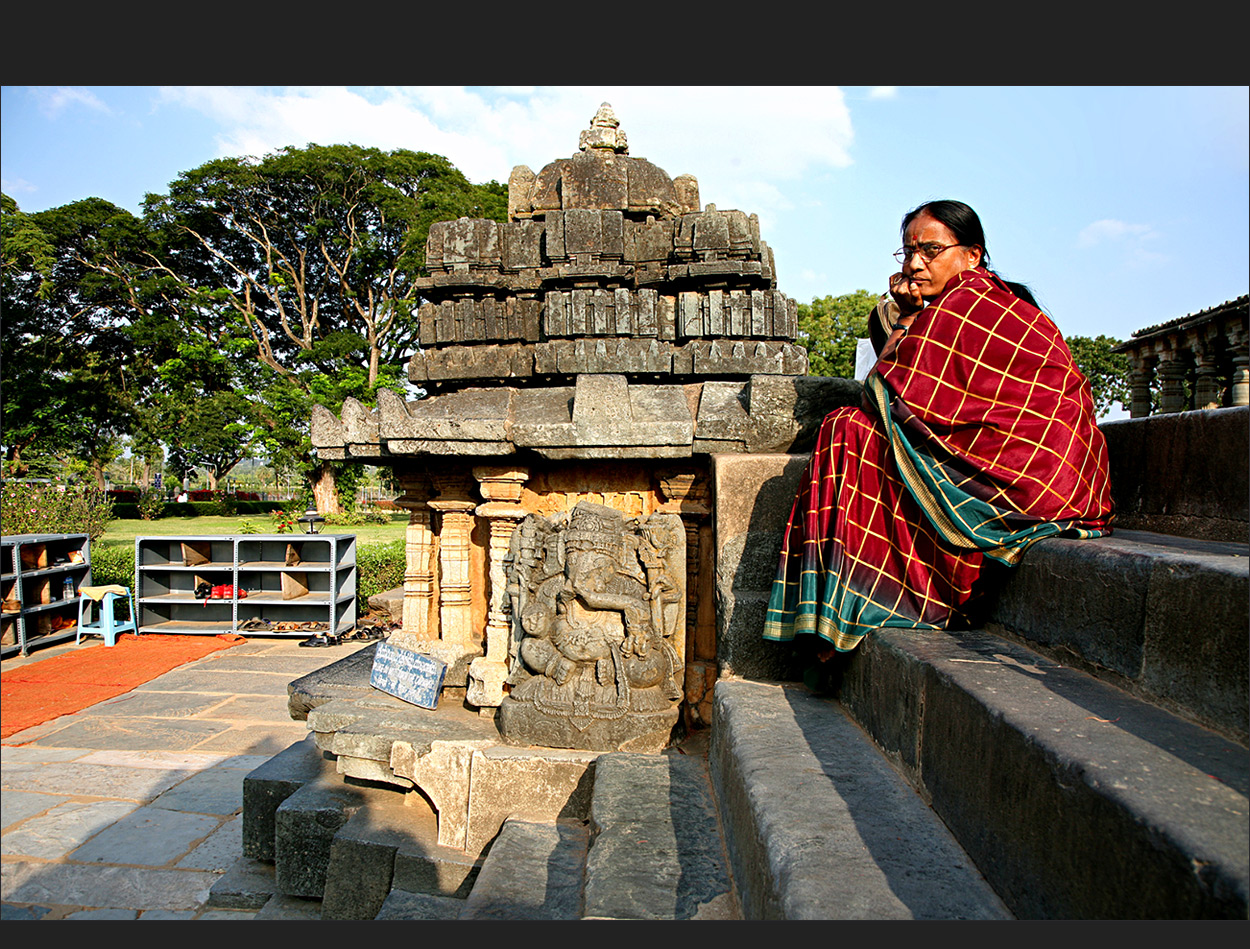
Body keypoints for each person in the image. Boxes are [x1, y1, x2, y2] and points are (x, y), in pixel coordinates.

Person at [764, 200, 1113, 657]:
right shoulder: (980, 304)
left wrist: (907, 315)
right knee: (852, 428)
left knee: (848, 428)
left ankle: (871, 604)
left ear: (971, 255)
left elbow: (882, 391)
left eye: (930, 250)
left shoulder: (963, 306)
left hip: (1025, 481)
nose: (914, 264)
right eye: (907, 252)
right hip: (1066, 484)